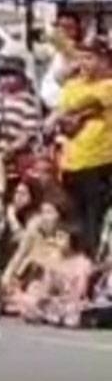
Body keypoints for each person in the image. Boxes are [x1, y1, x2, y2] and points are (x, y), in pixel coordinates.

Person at [52, 37, 112, 256]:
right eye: (81, 57)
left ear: (104, 59)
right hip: (70, 163)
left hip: (99, 163)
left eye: (90, 57)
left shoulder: (108, 85)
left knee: (94, 221)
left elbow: (85, 104)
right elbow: (64, 112)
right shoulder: (73, 85)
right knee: (72, 222)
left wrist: (65, 115)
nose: (84, 63)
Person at [0, 56, 43, 186]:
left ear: (21, 78)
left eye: (11, 74)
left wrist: (11, 148)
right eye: (3, 75)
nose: (6, 79)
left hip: (18, 156)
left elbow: (29, 132)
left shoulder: (27, 101)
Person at [40, 11, 85, 110]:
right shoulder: (50, 48)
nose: (65, 31)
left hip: (72, 101)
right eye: (61, 27)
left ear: (78, 27)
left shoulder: (84, 50)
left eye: (69, 27)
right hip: (51, 100)